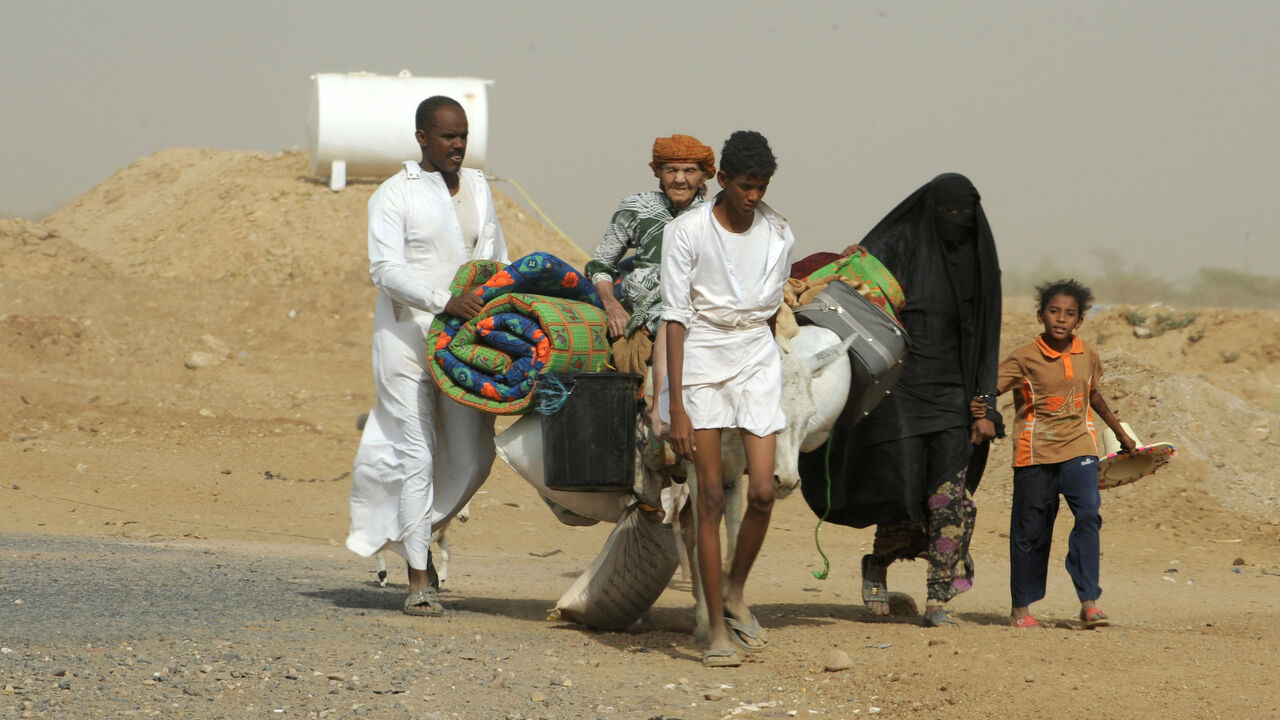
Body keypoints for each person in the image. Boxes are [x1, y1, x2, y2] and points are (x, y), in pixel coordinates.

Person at [798, 173, 1002, 627]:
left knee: (948, 496)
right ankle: (878, 565)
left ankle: (938, 598)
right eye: (947, 213)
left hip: (955, 396)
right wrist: (850, 261)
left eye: (964, 214)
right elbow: (852, 281)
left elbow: (988, 337)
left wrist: (986, 402)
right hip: (902, 390)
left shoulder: (981, 265)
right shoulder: (900, 244)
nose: (956, 222)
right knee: (904, 492)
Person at [345, 96, 509, 616]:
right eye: (447, 136)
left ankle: (406, 533)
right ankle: (419, 578)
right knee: (417, 455)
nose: (458, 145)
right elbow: (385, 270)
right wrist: (444, 301)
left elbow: (497, 259)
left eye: (463, 135)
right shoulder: (394, 195)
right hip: (407, 340)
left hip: (466, 343)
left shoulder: (481, 187)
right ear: (422, 138)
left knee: (475, 458)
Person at [661, 131, 794, 667]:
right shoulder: (687, 232)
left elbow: (768, 310)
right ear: (723, 181)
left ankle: (736, 592)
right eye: (745, 186)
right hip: (702, 357)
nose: (754, 196)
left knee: (764, 490)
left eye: (761, 187)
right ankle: (715, 628)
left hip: (756, 355)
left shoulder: (780, 233)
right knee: (711, 498)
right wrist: (676, 406)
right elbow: (674, 317)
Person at [977, 279, 1136, 628]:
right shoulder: (1024, 357)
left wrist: (1120, 433)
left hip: (1080, 448)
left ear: (1079, 321)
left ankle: (1089, 601)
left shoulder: (1088, 354)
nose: (1061, 319)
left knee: (1089, 515)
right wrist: (981, 417)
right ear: (1040, 315)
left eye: (1069, 314)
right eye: (1054, 311)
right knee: (1030, 530)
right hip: (1035, 453)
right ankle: (1022, 607)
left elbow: (1093, 395)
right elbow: (987, 390)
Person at [586, 134, 715, 427]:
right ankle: (660, 414)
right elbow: (601, 265)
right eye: (672, 170)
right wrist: (611, 305)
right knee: (669, 322)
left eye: (689, 171)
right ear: (658, 172)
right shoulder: (635, 208)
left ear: (704, 175)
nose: (680, 179)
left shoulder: (713, 217)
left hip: (699, 305)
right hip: (645, 306)